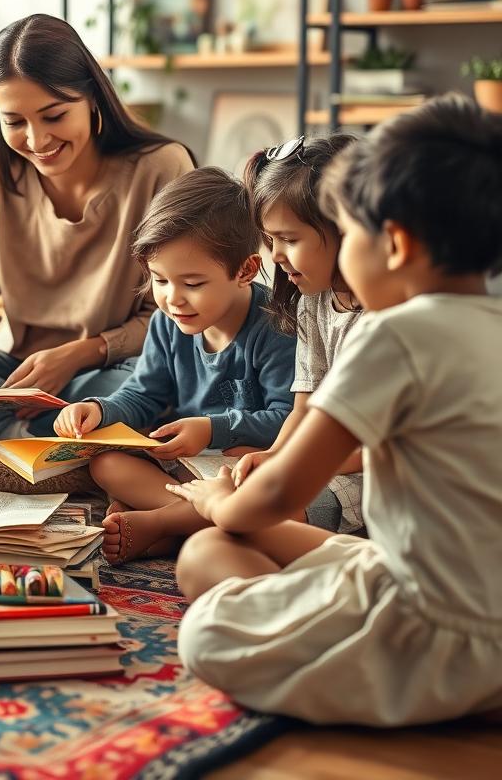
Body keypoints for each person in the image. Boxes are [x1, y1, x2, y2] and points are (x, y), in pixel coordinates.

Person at [169, 96, 502, 726]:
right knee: (225, 548)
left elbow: (271, 498)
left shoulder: (396, 335)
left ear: (394, 243)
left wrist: (212, 500)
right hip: (469, 594)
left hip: (436, 628)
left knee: (206, 598)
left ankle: (388, 662)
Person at [0, 13, 195, 452]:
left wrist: (79, 354)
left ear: (93, 99)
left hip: (113, 365)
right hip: (20, 375)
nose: (37, 139)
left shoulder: (161, 167)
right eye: (15, 122)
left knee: (152, 389)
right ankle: (36, 440)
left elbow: (173, 315)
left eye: (54, 115)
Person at [54, 167, 295, 562]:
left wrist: (212, 428)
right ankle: (188, 522)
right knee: (107, 464)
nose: (173, 299)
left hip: (237, 468)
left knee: (254, 472)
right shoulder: (167, 323)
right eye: (160, 280)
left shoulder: (274, 325)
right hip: (183, 468)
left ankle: (162, 524)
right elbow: (143, 395)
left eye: (193, 284)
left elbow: (288, 419)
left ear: (245, 271)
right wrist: (99, 410)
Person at [232, 133, 365, 535]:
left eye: (289, 240)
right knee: (245, 500)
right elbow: (303, 407)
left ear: (346, 228)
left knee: (258, 521)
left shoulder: (386, 318)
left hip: (372, 475)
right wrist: (275, 454)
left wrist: (294, 465)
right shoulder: (314, 301)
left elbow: (382, 447)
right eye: (270, 239)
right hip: (317, 463)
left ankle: (173, 522)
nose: (274, 254)